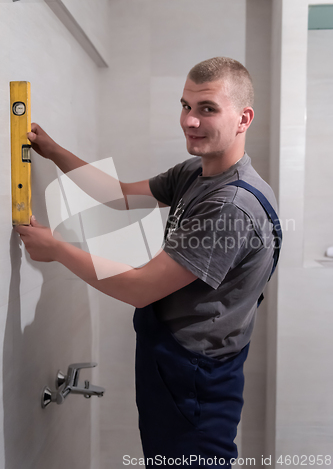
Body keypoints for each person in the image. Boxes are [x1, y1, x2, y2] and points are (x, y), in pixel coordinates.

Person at [16, 57, 281, 468]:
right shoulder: (198, 172)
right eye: (186, 106)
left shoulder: (231, 204)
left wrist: (56, 248)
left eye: (207, 108)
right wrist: (54, 152)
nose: (189, 121)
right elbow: (121, 197)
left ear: (243, 118)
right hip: (174, 363)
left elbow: (140, 287)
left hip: (195, 380)